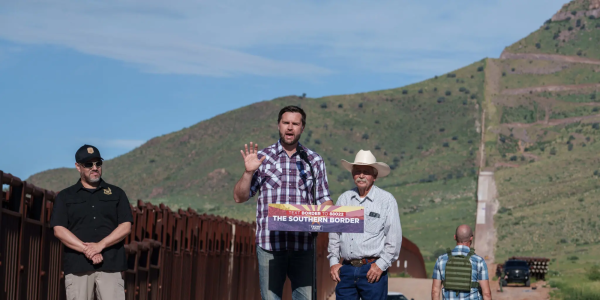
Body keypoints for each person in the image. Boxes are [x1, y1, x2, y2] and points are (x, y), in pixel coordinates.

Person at [233, 105, 333, 300]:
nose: (290, 127)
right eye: (286, 123)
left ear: (302, 128)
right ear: (278, 125)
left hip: (303, 245)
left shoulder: (314, 161)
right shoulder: (263, 158)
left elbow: (324, 199)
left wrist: (329, 216)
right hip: (270, 245)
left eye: (295, 124)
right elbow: (240, 197)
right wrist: (248, 172)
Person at [50, 145, 133, 300]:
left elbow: (126, 226)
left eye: (98, 164)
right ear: (78, 167)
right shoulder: (65, 196)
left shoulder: (117, 193)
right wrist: (87, 250)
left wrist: (100, 245)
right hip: (78, 266)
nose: (95, 168)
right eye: (89, 164)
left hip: (111, 265)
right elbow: (59, 230)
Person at [328, 150, 402, 300]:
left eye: (366, 172)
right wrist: (334, 262)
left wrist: (381, 265)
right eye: (357, 171)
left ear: (374, 176)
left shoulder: (386, 200)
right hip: (347, 269)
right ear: (352, 175)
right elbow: (335, 233)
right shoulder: (344, 199)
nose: (361, 175)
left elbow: (393, 238)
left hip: (372, 269)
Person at [431, 225, 492, 300]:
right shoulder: (479, 261)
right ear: (471, 238)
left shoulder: (441, 260)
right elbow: (487, 294)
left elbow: (435, 291)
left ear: (455, 237)